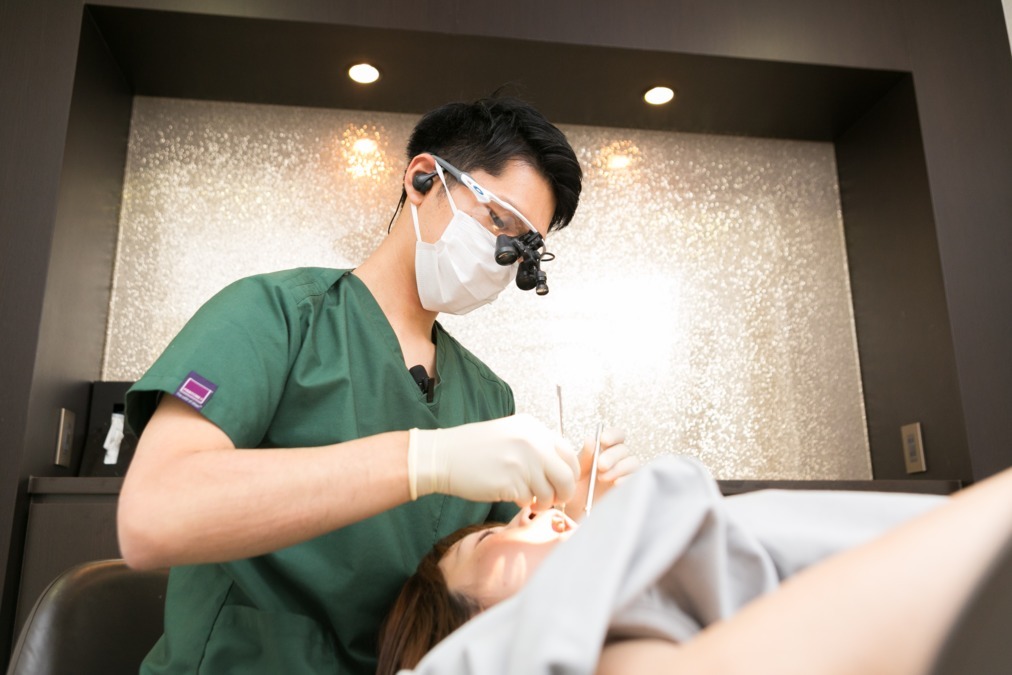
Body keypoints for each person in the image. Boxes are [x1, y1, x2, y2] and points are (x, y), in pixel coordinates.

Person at [117, 95, 638, 675]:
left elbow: (490, 615)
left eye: (523, 248)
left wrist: (571, 512)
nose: (502, 257)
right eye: (498, 222)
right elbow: (152, 518)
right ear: (422, 180)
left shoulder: (489, 399)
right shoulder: (277, 318)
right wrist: (425, 460)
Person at [378, 455, 1012, 675]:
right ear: (468, 625)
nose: (529, 514)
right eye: (491, 540)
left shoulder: (635, 587)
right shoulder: (525, 646)